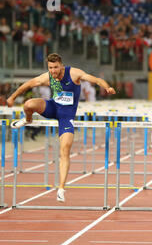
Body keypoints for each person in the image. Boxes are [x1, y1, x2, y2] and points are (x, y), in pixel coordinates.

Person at [6, 53, 116, 202]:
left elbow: (95, 79)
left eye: (56, 67)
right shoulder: (48, 76)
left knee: (65, 150)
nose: (53, 71)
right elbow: (30, 83)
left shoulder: (74, 73)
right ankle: (28, 120)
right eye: (50, 68)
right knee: (28, 104)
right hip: (52, 107)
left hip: (67, 116)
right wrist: (12, 97)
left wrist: (107, 87)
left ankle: (61, 189)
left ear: (61, 65)